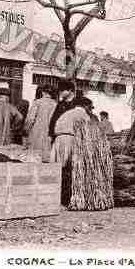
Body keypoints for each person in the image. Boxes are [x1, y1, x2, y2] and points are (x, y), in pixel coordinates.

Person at [50, 82, 114, 210]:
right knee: (70, 170)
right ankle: (67, 199)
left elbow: (53, 126)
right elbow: (88, 133)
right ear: (85, 106)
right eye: (89, 108)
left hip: (58, 140)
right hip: (71, 140)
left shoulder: (66, 113)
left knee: (58, 170)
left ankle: (55, 198)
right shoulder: (83, 115)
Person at [24, 84, 57, 162]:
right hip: (49, 136)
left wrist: (26, 131)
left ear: (43, 92)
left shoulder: (37, 102)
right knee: (46, 159)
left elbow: (30, 119)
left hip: (36, 134)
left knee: (34, 158)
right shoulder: (56, 104)